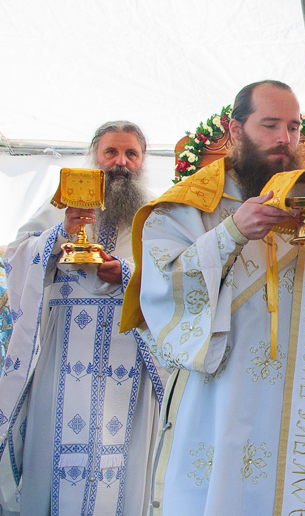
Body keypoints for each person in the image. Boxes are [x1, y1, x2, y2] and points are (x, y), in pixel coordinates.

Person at [121, 80, 305, 516]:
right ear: (235, 130)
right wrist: (232, 232)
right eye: (270, 125)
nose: (284, 139)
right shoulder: (193, 205)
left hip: (299, 399)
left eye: (293, 127)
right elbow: (163, 287)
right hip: (221, 395)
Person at [0, 121, 166, 515]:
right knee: (53, 443)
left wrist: (126, 274)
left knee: (121, 462)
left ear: (143, 161)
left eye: (130, 154)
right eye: (111, 152)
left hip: (128, 349)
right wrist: (61, 232)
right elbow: (16, 257)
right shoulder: (61, 204)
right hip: (63, 350)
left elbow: (176, 276)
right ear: (95, 155)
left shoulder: (157, 214)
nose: (120, 162)